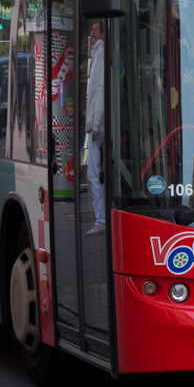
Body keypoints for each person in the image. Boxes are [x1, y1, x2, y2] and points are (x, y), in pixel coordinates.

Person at [85, 21, 106, 236]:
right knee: (99, 172)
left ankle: (100, 220)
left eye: (95, 31)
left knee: (93, 173)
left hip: (96, 124)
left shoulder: (100, 54)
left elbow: (100, 91)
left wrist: (96, 124)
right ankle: (102, 218)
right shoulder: (98, 53)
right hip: (97, 122)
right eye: (91, 31)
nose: (91, 34)